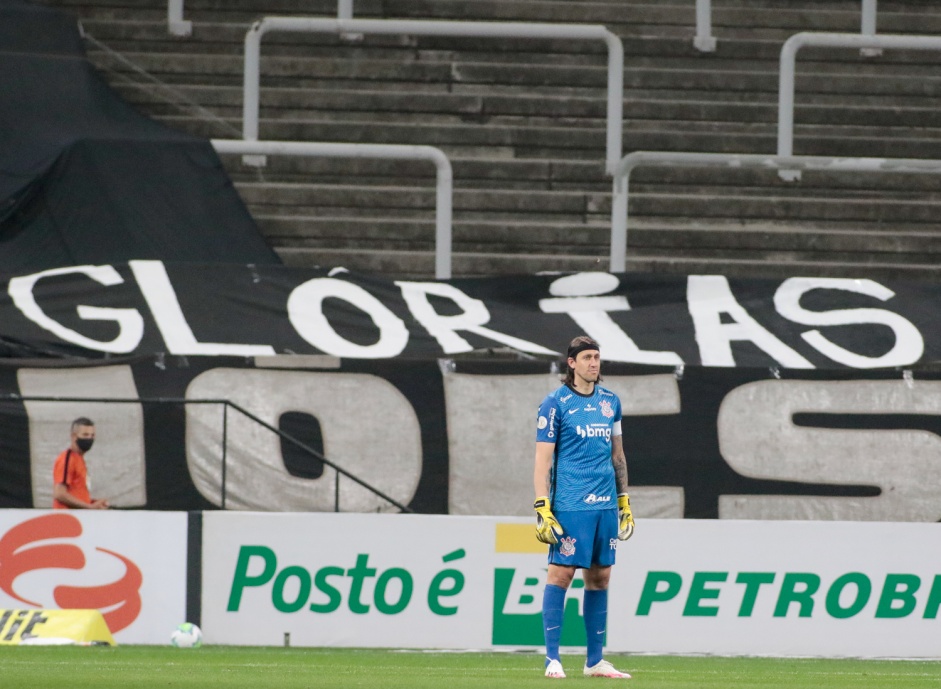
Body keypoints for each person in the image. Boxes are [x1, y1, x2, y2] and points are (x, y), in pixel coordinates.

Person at [533, 335, 634, 679]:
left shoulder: (610, 402)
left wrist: (624, 500)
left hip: (605, 504)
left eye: (597, 357)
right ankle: (552, 659)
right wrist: (541, 505)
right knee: (561, 574)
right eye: (587, 357)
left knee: (601, 577)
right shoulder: (555, 404)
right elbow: (542, 461)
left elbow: (617, 455)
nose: (594, 363)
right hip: (571, 504)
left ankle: (594, 661)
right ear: (571, 363)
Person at [52, 417, 109, 510]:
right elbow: (59, 493)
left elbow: (75, 493)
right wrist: (89, 507)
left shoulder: (79, 459)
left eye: (92, 435)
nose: (89, 438)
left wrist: (93, 503)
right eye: (85, 435)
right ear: (74, 436)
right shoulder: (68, 459)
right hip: (67, 518)